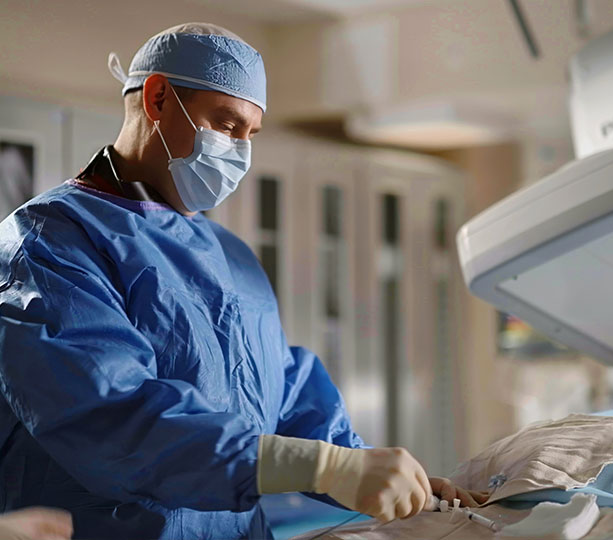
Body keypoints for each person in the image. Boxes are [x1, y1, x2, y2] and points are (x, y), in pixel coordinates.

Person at [0, 23, 483, 539]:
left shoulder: (228, 254)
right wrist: (320, 467)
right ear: (157, 98)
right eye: (227, 124)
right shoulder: (49, 242)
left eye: (251, 134)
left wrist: (368, 471)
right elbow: (110, 415)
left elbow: (282, 391)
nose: (240, 152)